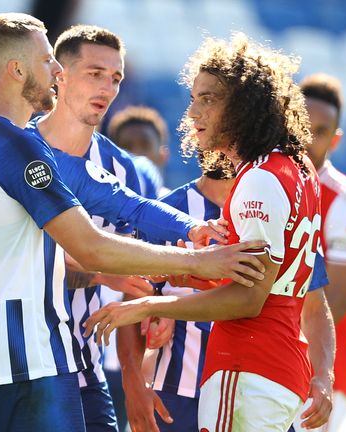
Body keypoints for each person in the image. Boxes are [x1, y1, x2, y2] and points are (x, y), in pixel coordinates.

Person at [0, 14, 266, 431]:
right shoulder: (22, 150)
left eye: (115, 77)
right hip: (24, 359)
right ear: (19, 69)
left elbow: (122, 202)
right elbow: (90, 246)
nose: (55, 71)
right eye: (48, 62)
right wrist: (196, 263)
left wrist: (190, 230)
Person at [85, 33, 323, 431]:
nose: (192, 111)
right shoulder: (299, 169)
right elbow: (266, 278)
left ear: (245, 104)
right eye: (194, 97)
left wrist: (151, 306)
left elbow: (249, 298)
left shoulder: (260, 179)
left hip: (246, 366)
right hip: (280, 370)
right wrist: (182, 273)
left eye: (208, 98)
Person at [27, 24, 210, 431]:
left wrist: (153, 304)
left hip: (86, 360)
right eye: (95, 73)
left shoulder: (124, 168)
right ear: (59, 73)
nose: (107, 89)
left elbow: (135, 258)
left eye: (115, 78)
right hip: (16, 365)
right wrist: (111, 272)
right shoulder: (15, 148)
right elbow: (21, 258)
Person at [121, 154, 333, 432]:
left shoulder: (281, 204)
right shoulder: (167, 211)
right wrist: (134, 383)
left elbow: (315, 306)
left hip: (255, 387)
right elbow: (133, 300)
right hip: (177, 395)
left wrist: (324, 375)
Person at [292, 73, 346, 432]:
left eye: (321, 131)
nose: (307, 139)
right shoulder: (263, 180)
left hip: (321, 385)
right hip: (271, 368)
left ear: (336, 140)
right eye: (300, 126)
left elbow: (334, 305)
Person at [107, 105, 170, 196]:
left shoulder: (178, 207)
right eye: (126, 147)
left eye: (145, 145)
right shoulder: (96, 206)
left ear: (163, 156)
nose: (136, 154)